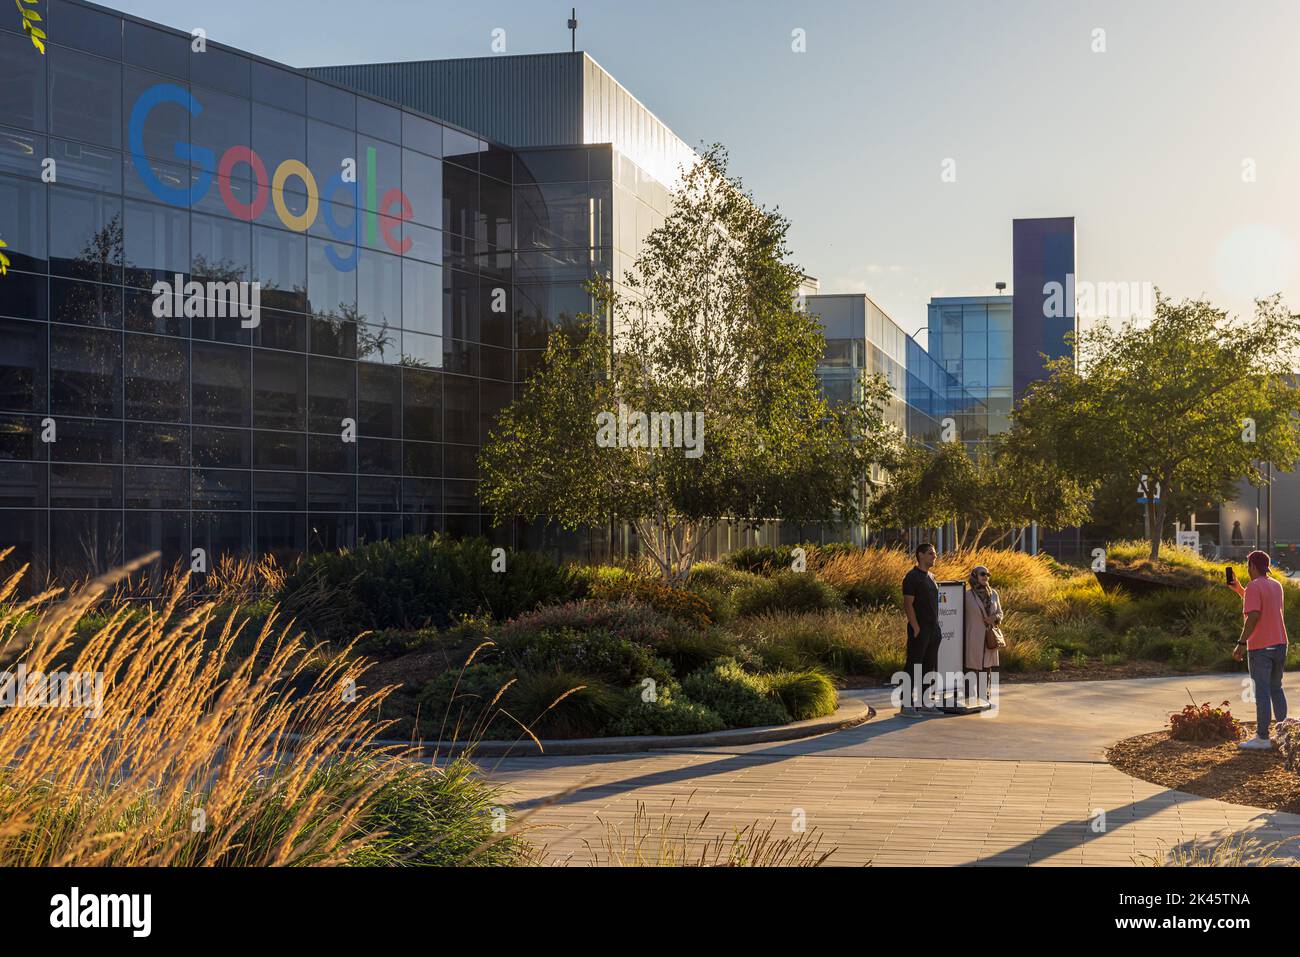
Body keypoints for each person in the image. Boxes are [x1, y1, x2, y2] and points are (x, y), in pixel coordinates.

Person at [1228, 550, 1289, 749]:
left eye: (1248, 565)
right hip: (1280, 644)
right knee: (1276, 689)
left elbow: (1253, 616)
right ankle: (1283, 737)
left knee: (1262, 692)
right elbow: (1261, 602)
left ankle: (1262, 738)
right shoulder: (1276, 585)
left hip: (1261, 647)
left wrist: (1241, 643)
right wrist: (1239, 590)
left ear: (1252, 566)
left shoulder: (1254, 587)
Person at [901, 542, 942, 718]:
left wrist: (936, 629)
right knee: (913, 665)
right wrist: (916, 627)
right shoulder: (912, 577)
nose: (935, 556)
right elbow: (908, 604)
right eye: (931, 553)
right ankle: (906, 705)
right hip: (920, 629)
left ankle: (925, 702)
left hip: (933, 630)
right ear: (920, 555)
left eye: (934, 553)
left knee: (929, 666)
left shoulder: (931, 577)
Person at [964, 565, 1002, 704]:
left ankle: (984, 696)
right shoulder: (966, 595)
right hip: (973, 635)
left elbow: (1000, 613)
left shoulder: (993, 594)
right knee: (972, 666)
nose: (986, 576)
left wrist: (994, 618)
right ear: (975, 576)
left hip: (989, 635)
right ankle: (968, 697)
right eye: (982, 574)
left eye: (988, 574)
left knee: (986, 667)